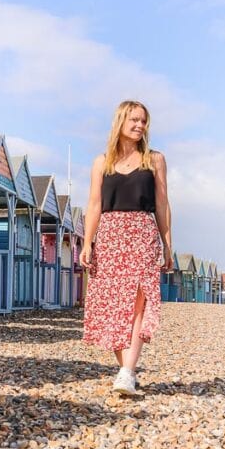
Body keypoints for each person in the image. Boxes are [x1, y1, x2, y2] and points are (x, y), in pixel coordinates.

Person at [80, 100, 173, 396]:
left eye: (144, 121)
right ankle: (126, 371)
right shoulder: (101, 162)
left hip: (142, 234)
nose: (140, 125)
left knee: (137, 303)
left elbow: (162, 204)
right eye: (134, 119)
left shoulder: (154, 159)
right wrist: (87, 241)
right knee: (112, 307)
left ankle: (127, 372)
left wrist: (167, 244)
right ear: (120, 121)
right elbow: (94, 205)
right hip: (109, 237)